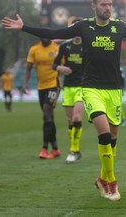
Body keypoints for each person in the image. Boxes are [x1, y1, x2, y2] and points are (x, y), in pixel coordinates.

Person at [2, 0, 126, 201]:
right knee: (105, 134)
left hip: (114, 91)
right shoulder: (83, 27)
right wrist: (24, 27)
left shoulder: (120, 27)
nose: (108, 8)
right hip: (90, 89)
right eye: (103, 5)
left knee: (113, 138)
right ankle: (111, 182)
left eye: (110, 5)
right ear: (94, 6)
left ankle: (102, 178)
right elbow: (54, 33)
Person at [52, 17, 84, 163]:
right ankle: (76, 150)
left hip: (83, 87)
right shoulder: (64, 46)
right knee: (70, 120)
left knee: (77, 117)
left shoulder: (89, 46)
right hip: (68, 86)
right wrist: (61, 68)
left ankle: (73, 149)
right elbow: (54, 65)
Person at [23, 38, 61, 159]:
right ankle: (55, 148)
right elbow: (29, 67)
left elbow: (64, 64)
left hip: (54, 85)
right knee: (49, 117)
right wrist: (25, 83)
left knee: (46, 114)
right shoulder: (34, 49)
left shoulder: (56, 49)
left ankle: (44, 148)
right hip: (41, 86)